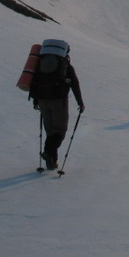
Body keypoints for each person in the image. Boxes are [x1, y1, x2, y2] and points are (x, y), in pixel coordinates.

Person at [28, 39, 85, 170]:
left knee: (50, 132)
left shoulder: (39, 64)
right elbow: (75, 84)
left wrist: (36, 100)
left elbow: (34, 82)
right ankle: (49, 153)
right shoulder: (66, 66)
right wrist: (80, 103)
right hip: (59, 102)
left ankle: (51, 161)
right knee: (60, 131)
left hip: (42, 101)